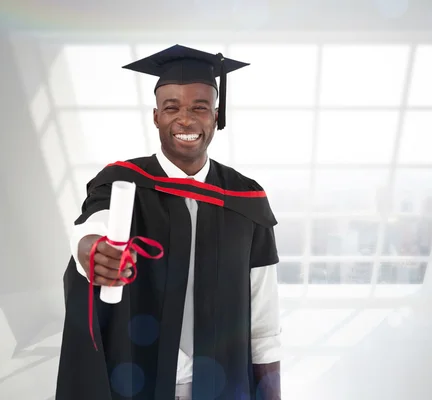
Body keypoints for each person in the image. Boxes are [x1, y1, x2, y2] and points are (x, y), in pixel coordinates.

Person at [55, 44, 282, 400]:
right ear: (156, 115)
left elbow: (264, 319)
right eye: (172, 107)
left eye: (199, 107)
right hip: (135, 382)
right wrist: (91, 249)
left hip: (222, 386)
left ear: (216, 116)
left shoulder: (246, 199)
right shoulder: (122, 182)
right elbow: (92, 223)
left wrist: (271, 392)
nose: (186, 119)